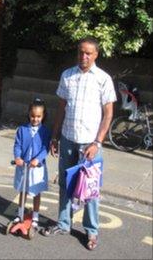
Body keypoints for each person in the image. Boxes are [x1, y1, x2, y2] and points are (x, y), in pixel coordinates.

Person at [42, 37, 117, 250]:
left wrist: (97, 142)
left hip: (90, 145)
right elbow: (61, 108)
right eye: (81, 52)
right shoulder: (67, 75)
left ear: (96, 55)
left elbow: (108, 114)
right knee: (65, 184)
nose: (84, 57)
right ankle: (64, 223)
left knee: (90, 189)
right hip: (67, 138)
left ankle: (91, 231)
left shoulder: (103, 79)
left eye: (88, 53)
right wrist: (55, 137)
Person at [13, 98, 51, 229]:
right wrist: (17, 157)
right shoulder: (22, 129)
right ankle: (20, 213)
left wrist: (37, 160)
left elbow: (46, 148)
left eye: (38, 116)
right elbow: (17, 145)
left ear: (43, 116)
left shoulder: (45, 131)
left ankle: (35, 216)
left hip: (37, 167)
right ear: (29, 115)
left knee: (36, 192)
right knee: (23, 191)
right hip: (23, 165)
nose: (35, 119)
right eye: (33, 116)